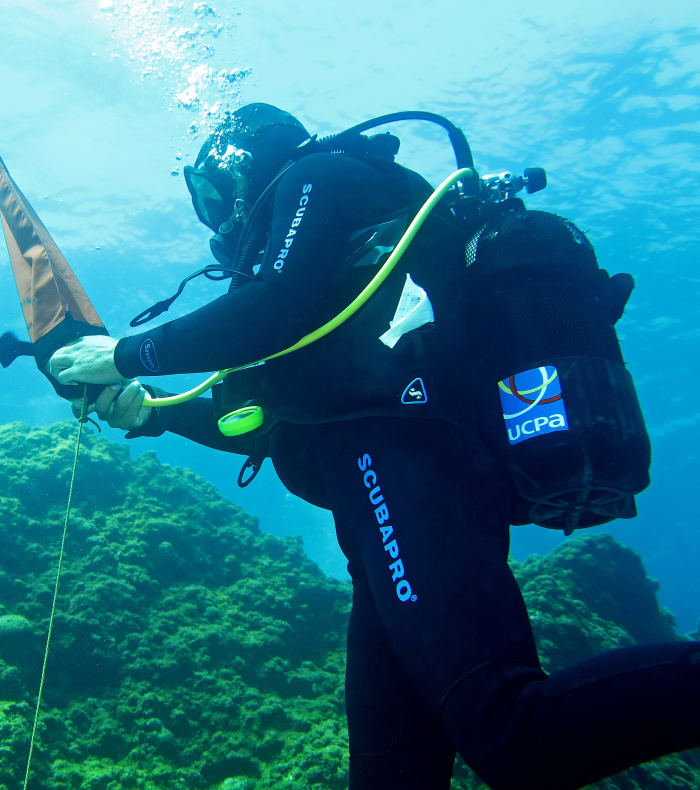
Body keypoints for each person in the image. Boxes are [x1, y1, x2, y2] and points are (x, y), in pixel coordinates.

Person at [48, 103, 700, 789]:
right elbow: (272, 416)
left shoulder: (318, 176)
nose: (218, 220)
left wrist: (127, 354)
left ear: (247, 165)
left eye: (216, 196)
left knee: (513, 731)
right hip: (392, 496)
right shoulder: (339, 271)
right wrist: (151, 413)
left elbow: (272, 311)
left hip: (405, 467)